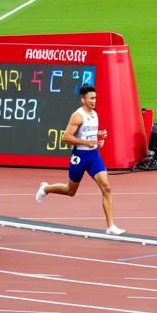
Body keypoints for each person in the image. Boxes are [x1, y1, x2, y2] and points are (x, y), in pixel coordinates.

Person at [35, 85, 125, 235]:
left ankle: (110, 226)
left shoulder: (95, 114)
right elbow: (66, 137)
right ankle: (46, 188)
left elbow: (90, 134)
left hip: (93, 156)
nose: (94, 101)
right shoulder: (77, 116)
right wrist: (85, 143)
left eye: (95, 98)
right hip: (80, 157)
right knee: (70, 191)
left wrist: (99, 137)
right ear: (82, 99)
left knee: (107, 188)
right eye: (91, 98)